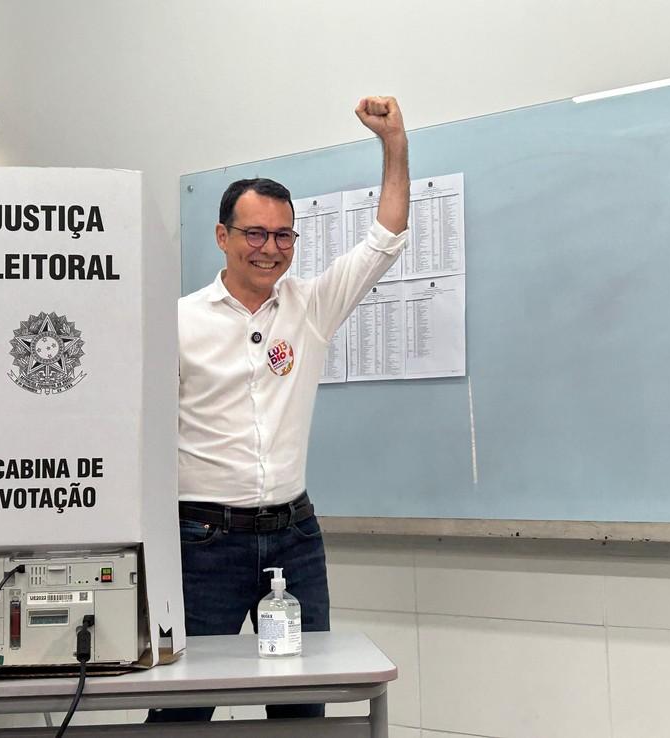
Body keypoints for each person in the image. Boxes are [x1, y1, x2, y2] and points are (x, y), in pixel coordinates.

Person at [147, 96, 409, 723]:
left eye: (283, 235)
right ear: (222, 237)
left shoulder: (310, 307)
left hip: (293, 538)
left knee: (300, 707)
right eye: (255, 234)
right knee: (181, 705)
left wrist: (394, 143)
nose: (270, 248)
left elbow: (386, 237)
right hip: (202, 540)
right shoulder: (176, 322)